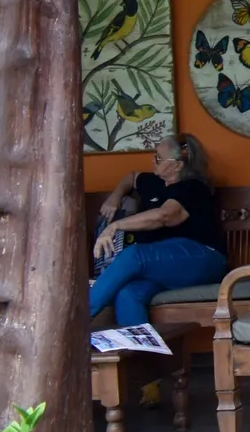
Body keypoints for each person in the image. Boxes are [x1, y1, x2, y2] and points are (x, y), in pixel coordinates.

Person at [88, 134, 226, 327]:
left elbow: (165, 216)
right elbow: (131, 177)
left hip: (202, 259)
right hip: (163, 266)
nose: (152, 160)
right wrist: (115, 197)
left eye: (158, 158)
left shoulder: (193, 188)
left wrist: (115, 226)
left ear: (177, 165)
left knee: (135, 255)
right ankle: (142, 346)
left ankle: (77, 320)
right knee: (127, 294)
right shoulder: (152, 182)